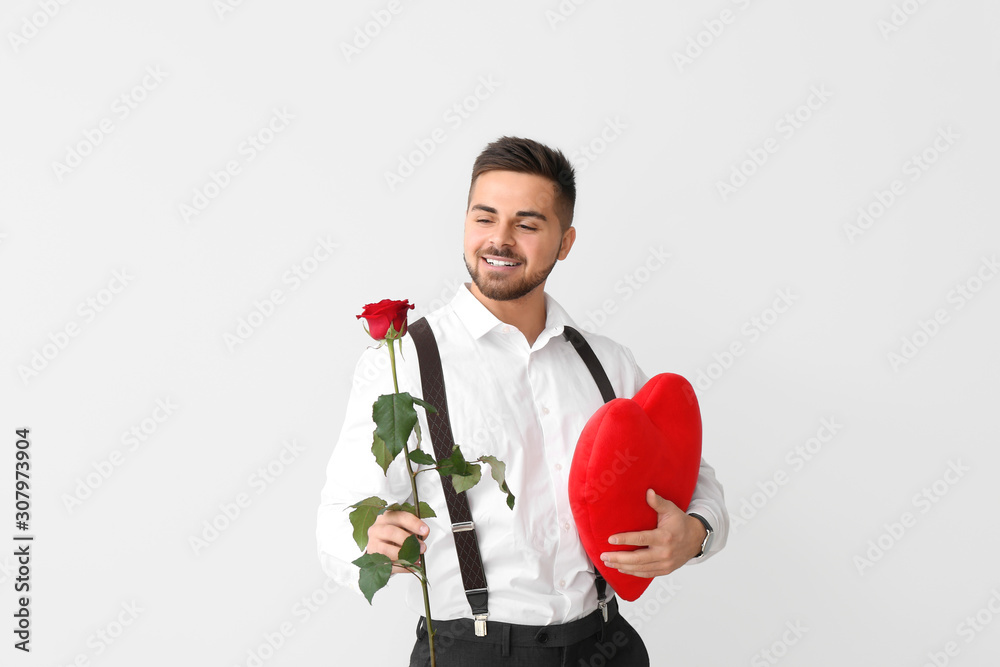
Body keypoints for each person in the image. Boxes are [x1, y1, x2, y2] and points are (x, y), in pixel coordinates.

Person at [316, 136, 728, 666]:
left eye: (527, 224)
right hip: (473, 652)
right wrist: (367, 540)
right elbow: (338, 515)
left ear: (565, 241)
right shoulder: (404, 363)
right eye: (484, 218)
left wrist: (696, 533)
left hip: (606, 645)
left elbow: (696, 478)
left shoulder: (607, 362)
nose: (500, 240)